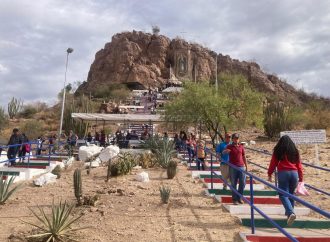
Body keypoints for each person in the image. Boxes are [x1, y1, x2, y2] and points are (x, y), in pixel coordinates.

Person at [267, 135, 303, 226]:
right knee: (291, 195)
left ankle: (291, 212)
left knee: (282, 194)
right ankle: (290, 216)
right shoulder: (295, 151)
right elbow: (299, 165)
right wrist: (301, 178)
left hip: (283, 173)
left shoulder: (278, 150)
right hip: (294, 173)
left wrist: (269, 173)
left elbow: (273, 163)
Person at [224, 133, 248, 205]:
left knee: (242, 183)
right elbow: (223, 152)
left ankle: (239, 197)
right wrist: (225, 152)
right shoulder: (229, 146)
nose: (236, 139)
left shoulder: (241, 147)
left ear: (239, 139)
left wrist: (246, 166)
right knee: (233, 183)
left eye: (237, 138)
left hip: (241, 167)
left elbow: (244, 157)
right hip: (233, 167)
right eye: (234, 138)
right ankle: (234, 200)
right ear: (232, 139)